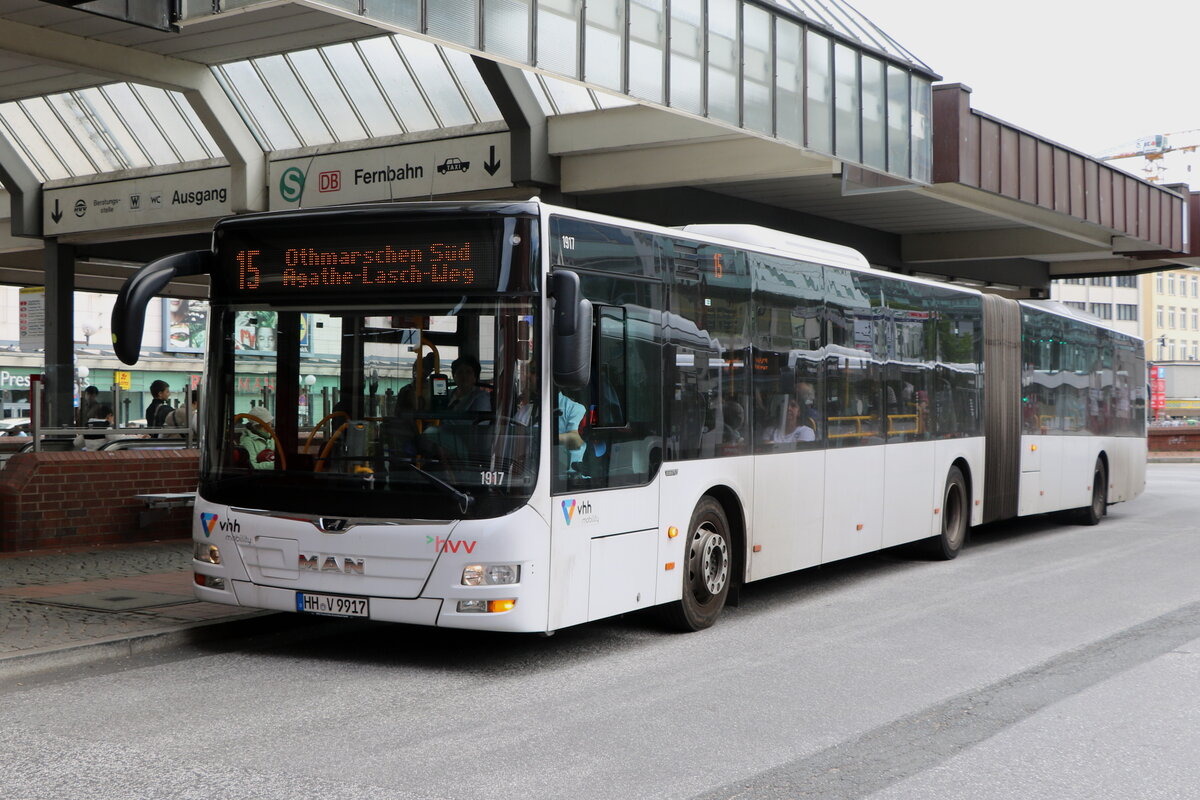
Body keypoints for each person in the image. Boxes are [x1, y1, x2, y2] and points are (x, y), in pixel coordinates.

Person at [73, 405, 145, 451]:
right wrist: (138, 437)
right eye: (112, 417)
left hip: (90, 457)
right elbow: (120, 439)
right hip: (102, 458)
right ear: (109, 416)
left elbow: (77, 443)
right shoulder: (105, 429)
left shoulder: (88, 429)